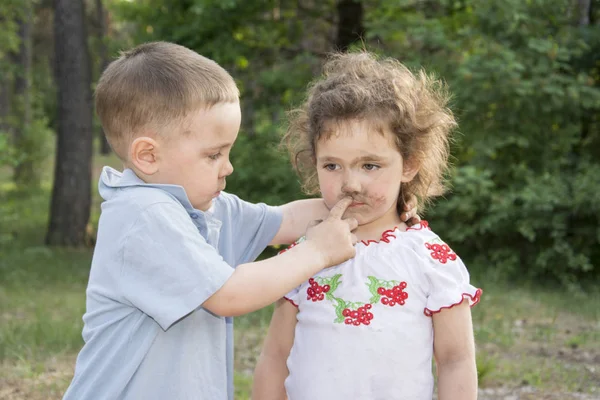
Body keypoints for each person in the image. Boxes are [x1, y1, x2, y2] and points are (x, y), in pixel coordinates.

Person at [62, 42, 421, 400]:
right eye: (214, 155)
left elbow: (285, 219)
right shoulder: (143, 216)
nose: (228, 166)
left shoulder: (206, 208)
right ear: (148, 156)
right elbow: (228, 295)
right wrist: (317, 252)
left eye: (228, 150)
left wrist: (372, 206)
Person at [252, 51, 482, 400]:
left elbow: (456, 360)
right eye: (332, 166)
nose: (351, 183)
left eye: (370, 166)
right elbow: (275, 357)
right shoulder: (305, 253)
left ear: (409, 165)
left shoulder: (432, 259)